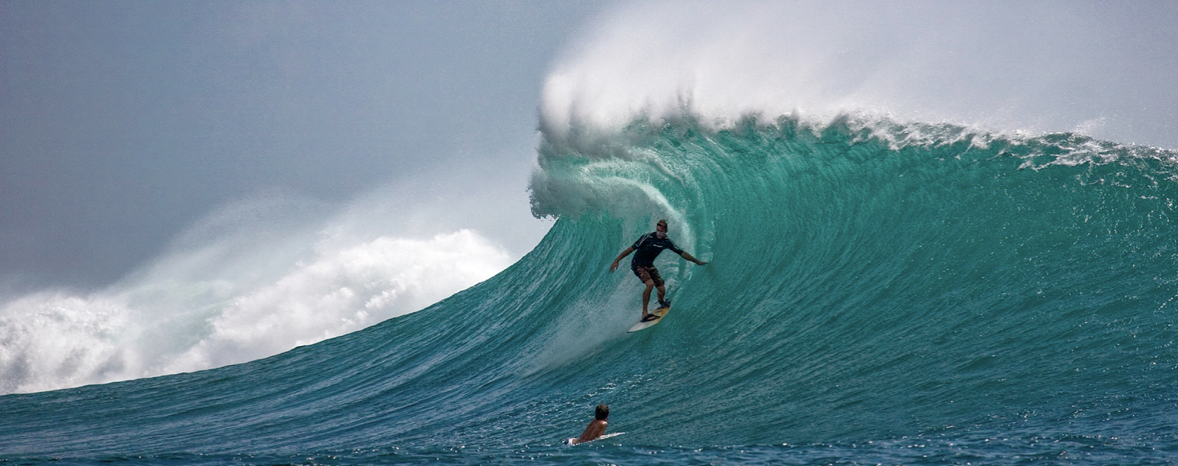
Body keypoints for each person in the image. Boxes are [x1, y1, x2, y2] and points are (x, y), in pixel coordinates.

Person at [609, 219, 707, 322]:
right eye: (658, 230)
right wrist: (617, 260)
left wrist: (696, 261)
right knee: (650, 284)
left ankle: (661, 302)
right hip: (638, 264)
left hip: (649, 265)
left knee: (661, 288)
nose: (659, 233)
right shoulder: (646, 237)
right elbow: (630, 249)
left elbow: (681, 253)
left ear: (666, 231)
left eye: (661, 231)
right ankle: (644, 314)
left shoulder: (667, 242)